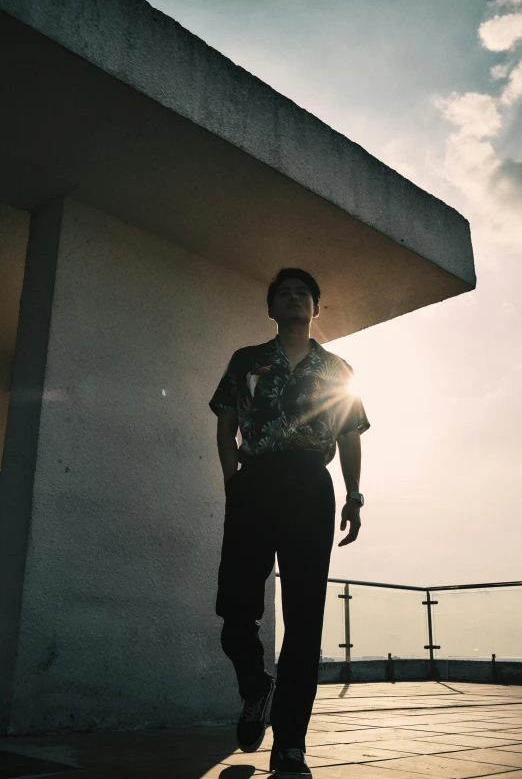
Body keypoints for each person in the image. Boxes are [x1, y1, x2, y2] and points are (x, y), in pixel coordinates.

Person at [209, 268, 370, 778]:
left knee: (304, 619)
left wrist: (354, 495)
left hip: (309, 488)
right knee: (236, 607)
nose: (295, 299)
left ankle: (291, 744)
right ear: (272, 309)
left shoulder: (338, 368)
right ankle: (255, 686)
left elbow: (349, 435)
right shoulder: (246, 360)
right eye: (285, 293)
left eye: (304, 294)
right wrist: (233, 478)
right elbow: (226, 420)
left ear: (316, 309)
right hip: (254, 484)